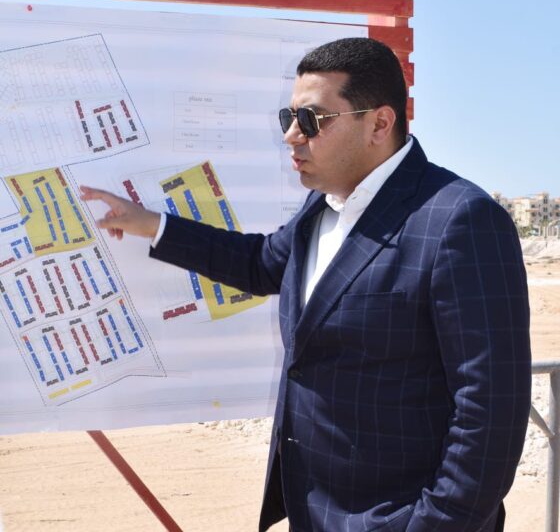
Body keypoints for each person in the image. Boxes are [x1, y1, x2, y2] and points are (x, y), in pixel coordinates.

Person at [80, 37, 531, 532]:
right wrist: (152, 225)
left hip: (398, 518)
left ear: (379, 124)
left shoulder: (459, 220)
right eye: (289, 118)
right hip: (314, 511)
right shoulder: (324, 206)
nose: (292, 136)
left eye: (312, 120)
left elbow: (491, 412)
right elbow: (260, 263)